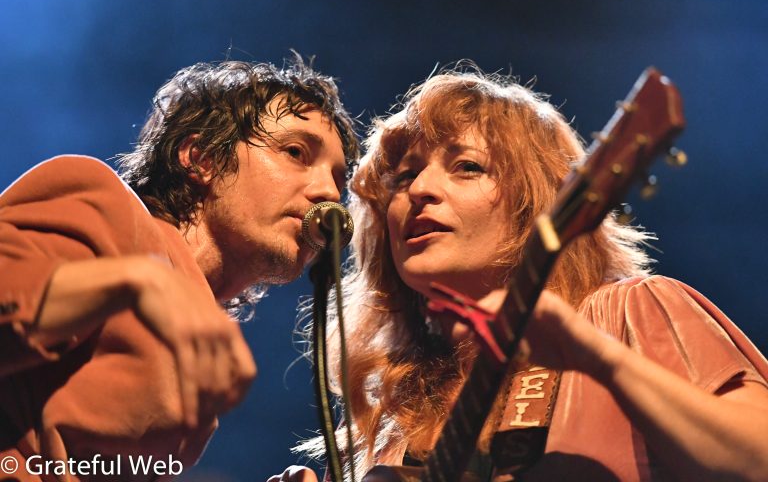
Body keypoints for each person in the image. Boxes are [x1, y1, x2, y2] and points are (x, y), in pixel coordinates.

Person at [288, 67, 768, 481]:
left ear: (534, 201)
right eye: (405, 176)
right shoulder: (387, 417)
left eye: (468, 167)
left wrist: (602, 360)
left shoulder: (629, 311)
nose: (422, 190)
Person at [0, 57, 358, 481]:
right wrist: (130, 280)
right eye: (296, 152)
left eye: (338, 179)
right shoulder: (105, 207)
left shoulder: (199, 342)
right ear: (201, 158)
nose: (327, 194)